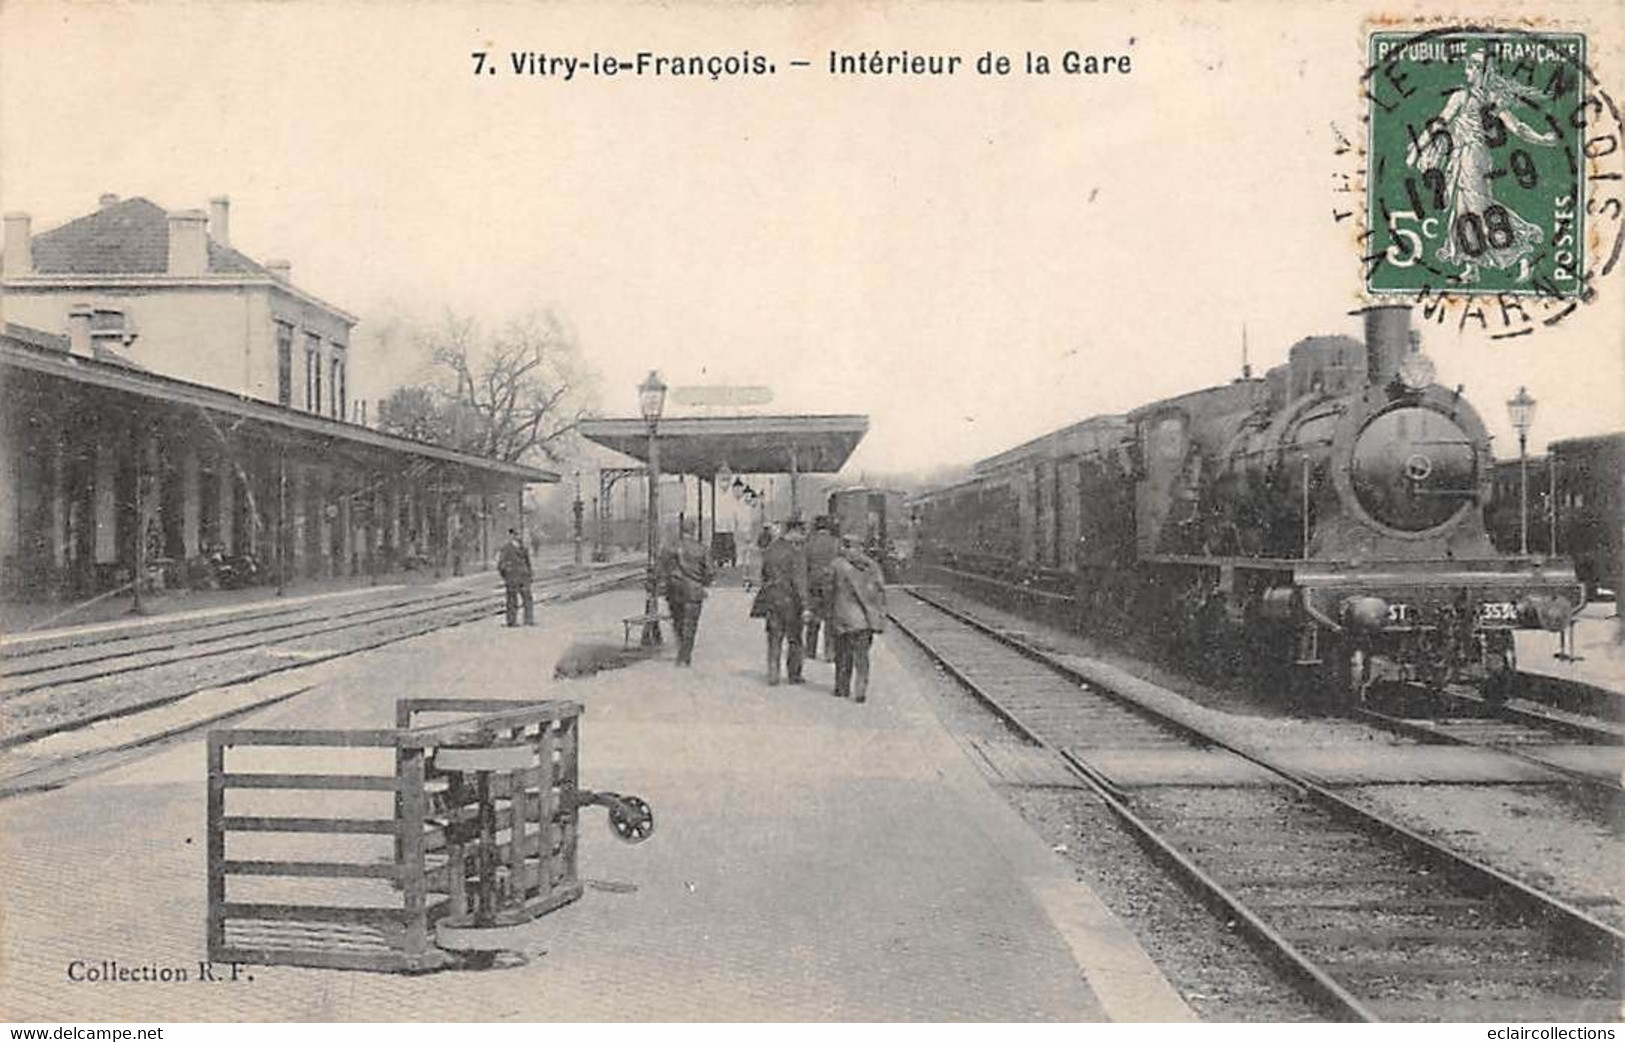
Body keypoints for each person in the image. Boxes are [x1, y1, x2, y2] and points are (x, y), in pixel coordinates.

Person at [1406, 49, 1560, 285]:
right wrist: (1419, 145)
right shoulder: (1460, 96)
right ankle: (1472, 268)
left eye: (1471, 67)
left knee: (1480, 210)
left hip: (1474, 158)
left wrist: (1541, 139)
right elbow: (1440, 123)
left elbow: (1516, 126)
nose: (1467, 71)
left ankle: (1521, 255)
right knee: (1462, 211)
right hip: (1459, 157)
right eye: (1467, 66)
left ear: (1481, 71)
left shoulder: (1491, 100)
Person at [750, 518, 809, 686]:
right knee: (795, 639)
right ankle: (794, 674)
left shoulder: (770, 550)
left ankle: (773, 674)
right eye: (801, 532)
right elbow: (799, 581)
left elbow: (763, 575)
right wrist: (805, 605)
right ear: (794, 531)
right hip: (790, 601)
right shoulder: (795, 553)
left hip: (772, 598)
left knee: (774, 637)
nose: (802, 537)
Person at [828, 535, 887, 702]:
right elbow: (880, 591)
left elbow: (827, 589)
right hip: (865, 620)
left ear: (846, 546)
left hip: (842, 616)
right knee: (862, 657)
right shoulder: (872, 566)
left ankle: (842, 688)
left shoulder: (837, 565)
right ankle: (860, 690)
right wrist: (879, 614)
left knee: (842, 654)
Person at [658, 519, 714, 666]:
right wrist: (703, 582)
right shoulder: (702, 549)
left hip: (674, 590)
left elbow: (662, 568)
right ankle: (685, 655)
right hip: (694, 591)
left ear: (681, 530)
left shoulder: (670, 548)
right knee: (690, 624)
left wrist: (666, 582)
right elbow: (709, 572)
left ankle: (682, 651)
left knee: (677, 622)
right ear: (694, 531)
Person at [802, 516, 840, 661]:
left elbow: (805, 566)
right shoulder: (836, 543)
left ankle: (810, 651)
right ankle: (830, 652)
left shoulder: (809, 543)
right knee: (830, 621)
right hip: (831, 586)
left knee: (813, 619)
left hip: (813, 585)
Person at [497, 528, 534, 627]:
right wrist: (506, 576)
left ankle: (529, 620)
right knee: (512, 600)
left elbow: (528, 562)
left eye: (519, 535)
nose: (518, 537)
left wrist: (529, 574)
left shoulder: (523, 548)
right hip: (512, 577)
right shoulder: (506, 549)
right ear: (511, 536)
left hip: (524, 577)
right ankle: (511, 621)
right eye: (516, 535)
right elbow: (501, 564)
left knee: (528, 598)